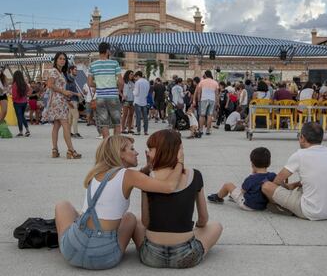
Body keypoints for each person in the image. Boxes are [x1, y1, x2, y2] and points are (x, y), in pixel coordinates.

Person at [55, 135, 185, 270]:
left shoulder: (97, 172)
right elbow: (169, 187)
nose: (137, 152)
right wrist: (180, 162)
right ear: (121, 154)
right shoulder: (129, 175)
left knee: (62, 205)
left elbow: (133, 177)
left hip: (71, 251)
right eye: (132, 149)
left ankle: (67, 242)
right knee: (130, 218)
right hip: (103, 257)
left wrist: (148, 167)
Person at [139, 129, 222, 268]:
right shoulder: (195, 175)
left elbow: (146, 222)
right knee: (216, 226)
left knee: (136, 221)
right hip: (185, 255)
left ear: (161, 151)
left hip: (151, 256)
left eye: (150, 149)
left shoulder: (147, 178)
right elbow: (203, 219)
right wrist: (195, 229)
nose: (147, 153)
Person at [262, 122, 327, 220]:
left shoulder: (300, 155)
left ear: (302, 138)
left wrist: (286, 188)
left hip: (311, 211)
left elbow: (277, 181)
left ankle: (283, 207)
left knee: (267, 186)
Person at [208, 147, 276, 211]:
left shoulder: (251, 178)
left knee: (228, 185)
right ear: (269, 163)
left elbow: (243, 191)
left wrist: (253, 174)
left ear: (252, 164)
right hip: (263, 206)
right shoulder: (272, 176)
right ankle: (233, 196)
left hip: (248, 205)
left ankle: (218, 197)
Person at [44, 53, 81, 159]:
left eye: (64, 59)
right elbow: (50, 85)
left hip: (60, 101)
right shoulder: (54, 71)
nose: (62, 60)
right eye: (60, 58)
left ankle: (55, 150)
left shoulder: (60, 73)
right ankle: (71, 150)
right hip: (57, 101)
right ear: (56, 60)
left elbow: (58, 87)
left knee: (56, 125)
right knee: (66, 124)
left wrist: (66, 99)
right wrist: (63, 92)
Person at [88, 42, 124, 139]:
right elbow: (121, 82)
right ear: (107, 51)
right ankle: (115, 147)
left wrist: (99, 85)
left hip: (100, 97)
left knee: (104, 124)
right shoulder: (114, 63)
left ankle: (106, 147)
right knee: (117, 123)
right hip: (113, 96)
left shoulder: (93, 65)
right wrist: (118, 89)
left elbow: (90, 83)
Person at [194, 70, 219, 136]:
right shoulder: (215, 82)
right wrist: (217, 102)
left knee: (202, 115)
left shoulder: (202, 82)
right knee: (210, 115)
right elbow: (217, 94)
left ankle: (201, 129)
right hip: (212, 99)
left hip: (204, 99)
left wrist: (199, 100)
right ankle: (208, 130)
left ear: (205, 75)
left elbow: (199, 92)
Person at [11, 70, 31, 137]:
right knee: (22, 116)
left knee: (19, 117)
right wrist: (26, 95)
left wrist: (13, 99)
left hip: (17, 103)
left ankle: (21, 132)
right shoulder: (24, 84)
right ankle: (27, 130)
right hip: (24, 102)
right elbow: (29, 90)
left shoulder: (14, 85)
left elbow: (14, 96)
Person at [66, 65, 83, 139]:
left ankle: (68, 133)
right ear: (71, 70)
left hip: (73, 100)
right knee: (76, 116)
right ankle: (76, 133)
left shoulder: (72, 79)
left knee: (70, 118)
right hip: (72, 100)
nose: (76, 71)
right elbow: (67, 91)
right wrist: (77, 94)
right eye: (75, 70)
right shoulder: (69, 79)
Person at [133, 71, 150, 135]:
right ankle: (146, 131)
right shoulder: (147, 82)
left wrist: (133, 91)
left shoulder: (137, 82)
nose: (135, 79)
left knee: (138, 117)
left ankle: (138, 131)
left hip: (138, 101)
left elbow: (136, 93)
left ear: (137, 76)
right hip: (144, 101)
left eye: (135, 77)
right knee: (145, 117)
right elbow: (147, 92)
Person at [121, 70, 135, 134]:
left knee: (131, 115)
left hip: (132, 100)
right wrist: (122, 96)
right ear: (127, 74)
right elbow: (118, 90)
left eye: (133, 74)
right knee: (125, 114)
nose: (132, 76)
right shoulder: (124, 82)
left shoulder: (133, 83)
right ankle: (123, 128)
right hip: (126, 100)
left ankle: (129, 128)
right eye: (131, 74)